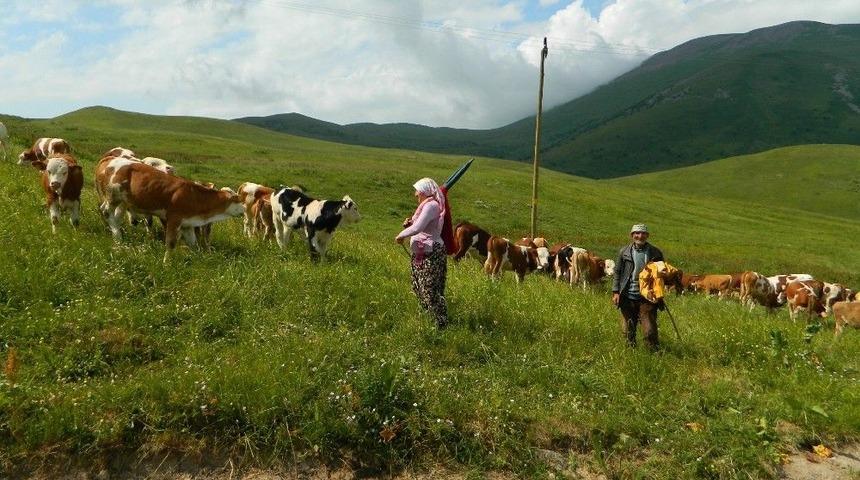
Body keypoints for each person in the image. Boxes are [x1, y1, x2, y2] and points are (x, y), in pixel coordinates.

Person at [395, 178, 449, 329]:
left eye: (417, 190)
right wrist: (409, 224)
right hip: (423, 252)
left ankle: (440, 325)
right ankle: (428, 320)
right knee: (419, 286)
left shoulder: (431, 206)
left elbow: (419, 227)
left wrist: (402, 235)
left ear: (424, 191)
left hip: (431, 253)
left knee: (430, 289)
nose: (415, 194)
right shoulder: (426, 206)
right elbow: (419, 225)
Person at [611, 224, 664, 350]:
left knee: (649, 330)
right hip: (627, 296)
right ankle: (630, 352)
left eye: (643, 233)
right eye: (637, 233)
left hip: (648, 297)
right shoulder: (624, 252)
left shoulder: (655, 252)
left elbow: (661, 274)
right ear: (632, 235)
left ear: (647, 235)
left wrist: (660, 291)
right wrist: (616, 291)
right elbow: (618, 272)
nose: (640, 236)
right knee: (628, 330)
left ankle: (653, 354)